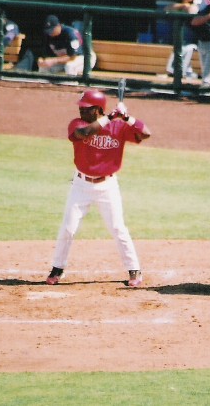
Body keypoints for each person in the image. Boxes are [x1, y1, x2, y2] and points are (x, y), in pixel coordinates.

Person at [46, 89, 151, 287]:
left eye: (85, 108)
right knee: (68, 228)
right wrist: (111, 116)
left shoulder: (118, 127)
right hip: (80, 185)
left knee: (118, 228)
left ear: (96, 110)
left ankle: (134, 270)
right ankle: (57, 268)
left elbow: (145, 133)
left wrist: (127, 117)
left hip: (107, 185)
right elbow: (85, 133)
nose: (80, 110)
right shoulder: (77, 124)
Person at [163, 0, 210, 79]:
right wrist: (183, 5)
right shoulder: (184, 2)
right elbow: (166, 9)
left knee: (208, 75)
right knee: (185, 51)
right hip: (199, 41)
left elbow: (192, 10)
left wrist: (184, 6)